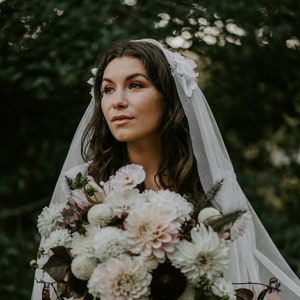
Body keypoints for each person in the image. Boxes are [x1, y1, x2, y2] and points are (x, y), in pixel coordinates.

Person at [31, 39, 300, 299]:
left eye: (135, 85)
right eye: (107, 89)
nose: (117, 101)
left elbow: (240, 279)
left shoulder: (213, 184)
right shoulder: (82, 184)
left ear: (169, 97)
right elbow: (59, 287)